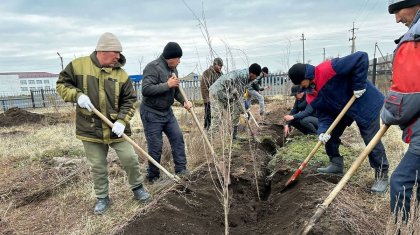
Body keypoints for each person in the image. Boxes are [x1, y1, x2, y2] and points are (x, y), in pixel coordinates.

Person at [56, 32, 151, 215]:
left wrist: (122, 121)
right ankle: (102, 198)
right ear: (103, 50)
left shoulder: (121, 76)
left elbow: (130, 101)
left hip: (116, 129)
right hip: (90, 128)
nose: (118, 57)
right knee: (98, 165)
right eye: (116, 52)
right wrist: (77, 95)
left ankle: (138, 188)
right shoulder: (78, 66)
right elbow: (62, 85)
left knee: (130, 159)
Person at [288, 51, 389, 194]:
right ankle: (336, 164)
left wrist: (358, 84)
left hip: (364, 102)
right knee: (330, 133)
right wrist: (323, 130)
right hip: (344, 109)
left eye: (300, 83)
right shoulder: (311, 95)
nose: (300, 87)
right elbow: (323, 115)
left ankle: (381, 175)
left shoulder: (327, 69)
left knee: (371, 139)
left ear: (306, 77)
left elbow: (361, 57)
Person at [383, 0, 420, 219]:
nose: (397, 19)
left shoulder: (414, 39)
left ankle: (401, 230)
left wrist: (388, 114)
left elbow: (409, 95)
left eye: (398, 10)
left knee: (401, 182)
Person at [140, 42, 193, 183]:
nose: (179, 61)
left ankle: (181, 169)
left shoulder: (173, 70)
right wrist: (167, 85)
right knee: (156, 146)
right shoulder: (153, 68)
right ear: (171, 57)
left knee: (177, 137)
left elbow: (175, 91)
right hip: (151, 113)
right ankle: (153, 177)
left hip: (167, 112)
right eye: (178, 58)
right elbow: (146, 89)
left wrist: (184, 102)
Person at [208, 63, 261, 139]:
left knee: (236, 112)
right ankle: (209, 140)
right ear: (252, 74)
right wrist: (231, 88)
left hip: (227, 95)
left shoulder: (247, 78)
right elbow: (228, 79)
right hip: (217, 92)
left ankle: (234, 136)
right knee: (217, 118)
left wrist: (244, 110)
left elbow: (240, 96)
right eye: (255, 77)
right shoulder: (242, 75)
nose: (255, 79)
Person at [200, 58, 223, 130]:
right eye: (219, 66)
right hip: (209, 99)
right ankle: (207, 130)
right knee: (208, 115)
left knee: (218, 115)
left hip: (218, 99)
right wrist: (207, 100)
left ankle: (216, 130)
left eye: (221, 66)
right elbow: (204, 87)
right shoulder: (207, 73)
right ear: (215, 64)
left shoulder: (221, 74)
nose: (220, 68)